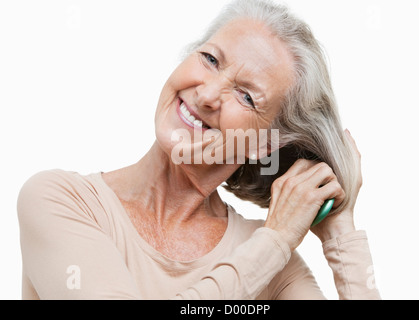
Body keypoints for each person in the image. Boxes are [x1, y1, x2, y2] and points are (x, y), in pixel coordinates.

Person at [17, 0, 380, 299]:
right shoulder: (59, 200)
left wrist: (340, 230)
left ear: (266, 144)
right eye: (210, 59)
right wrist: (277, 240)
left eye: (246, 96)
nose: (206, 95)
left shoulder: (273, 260)